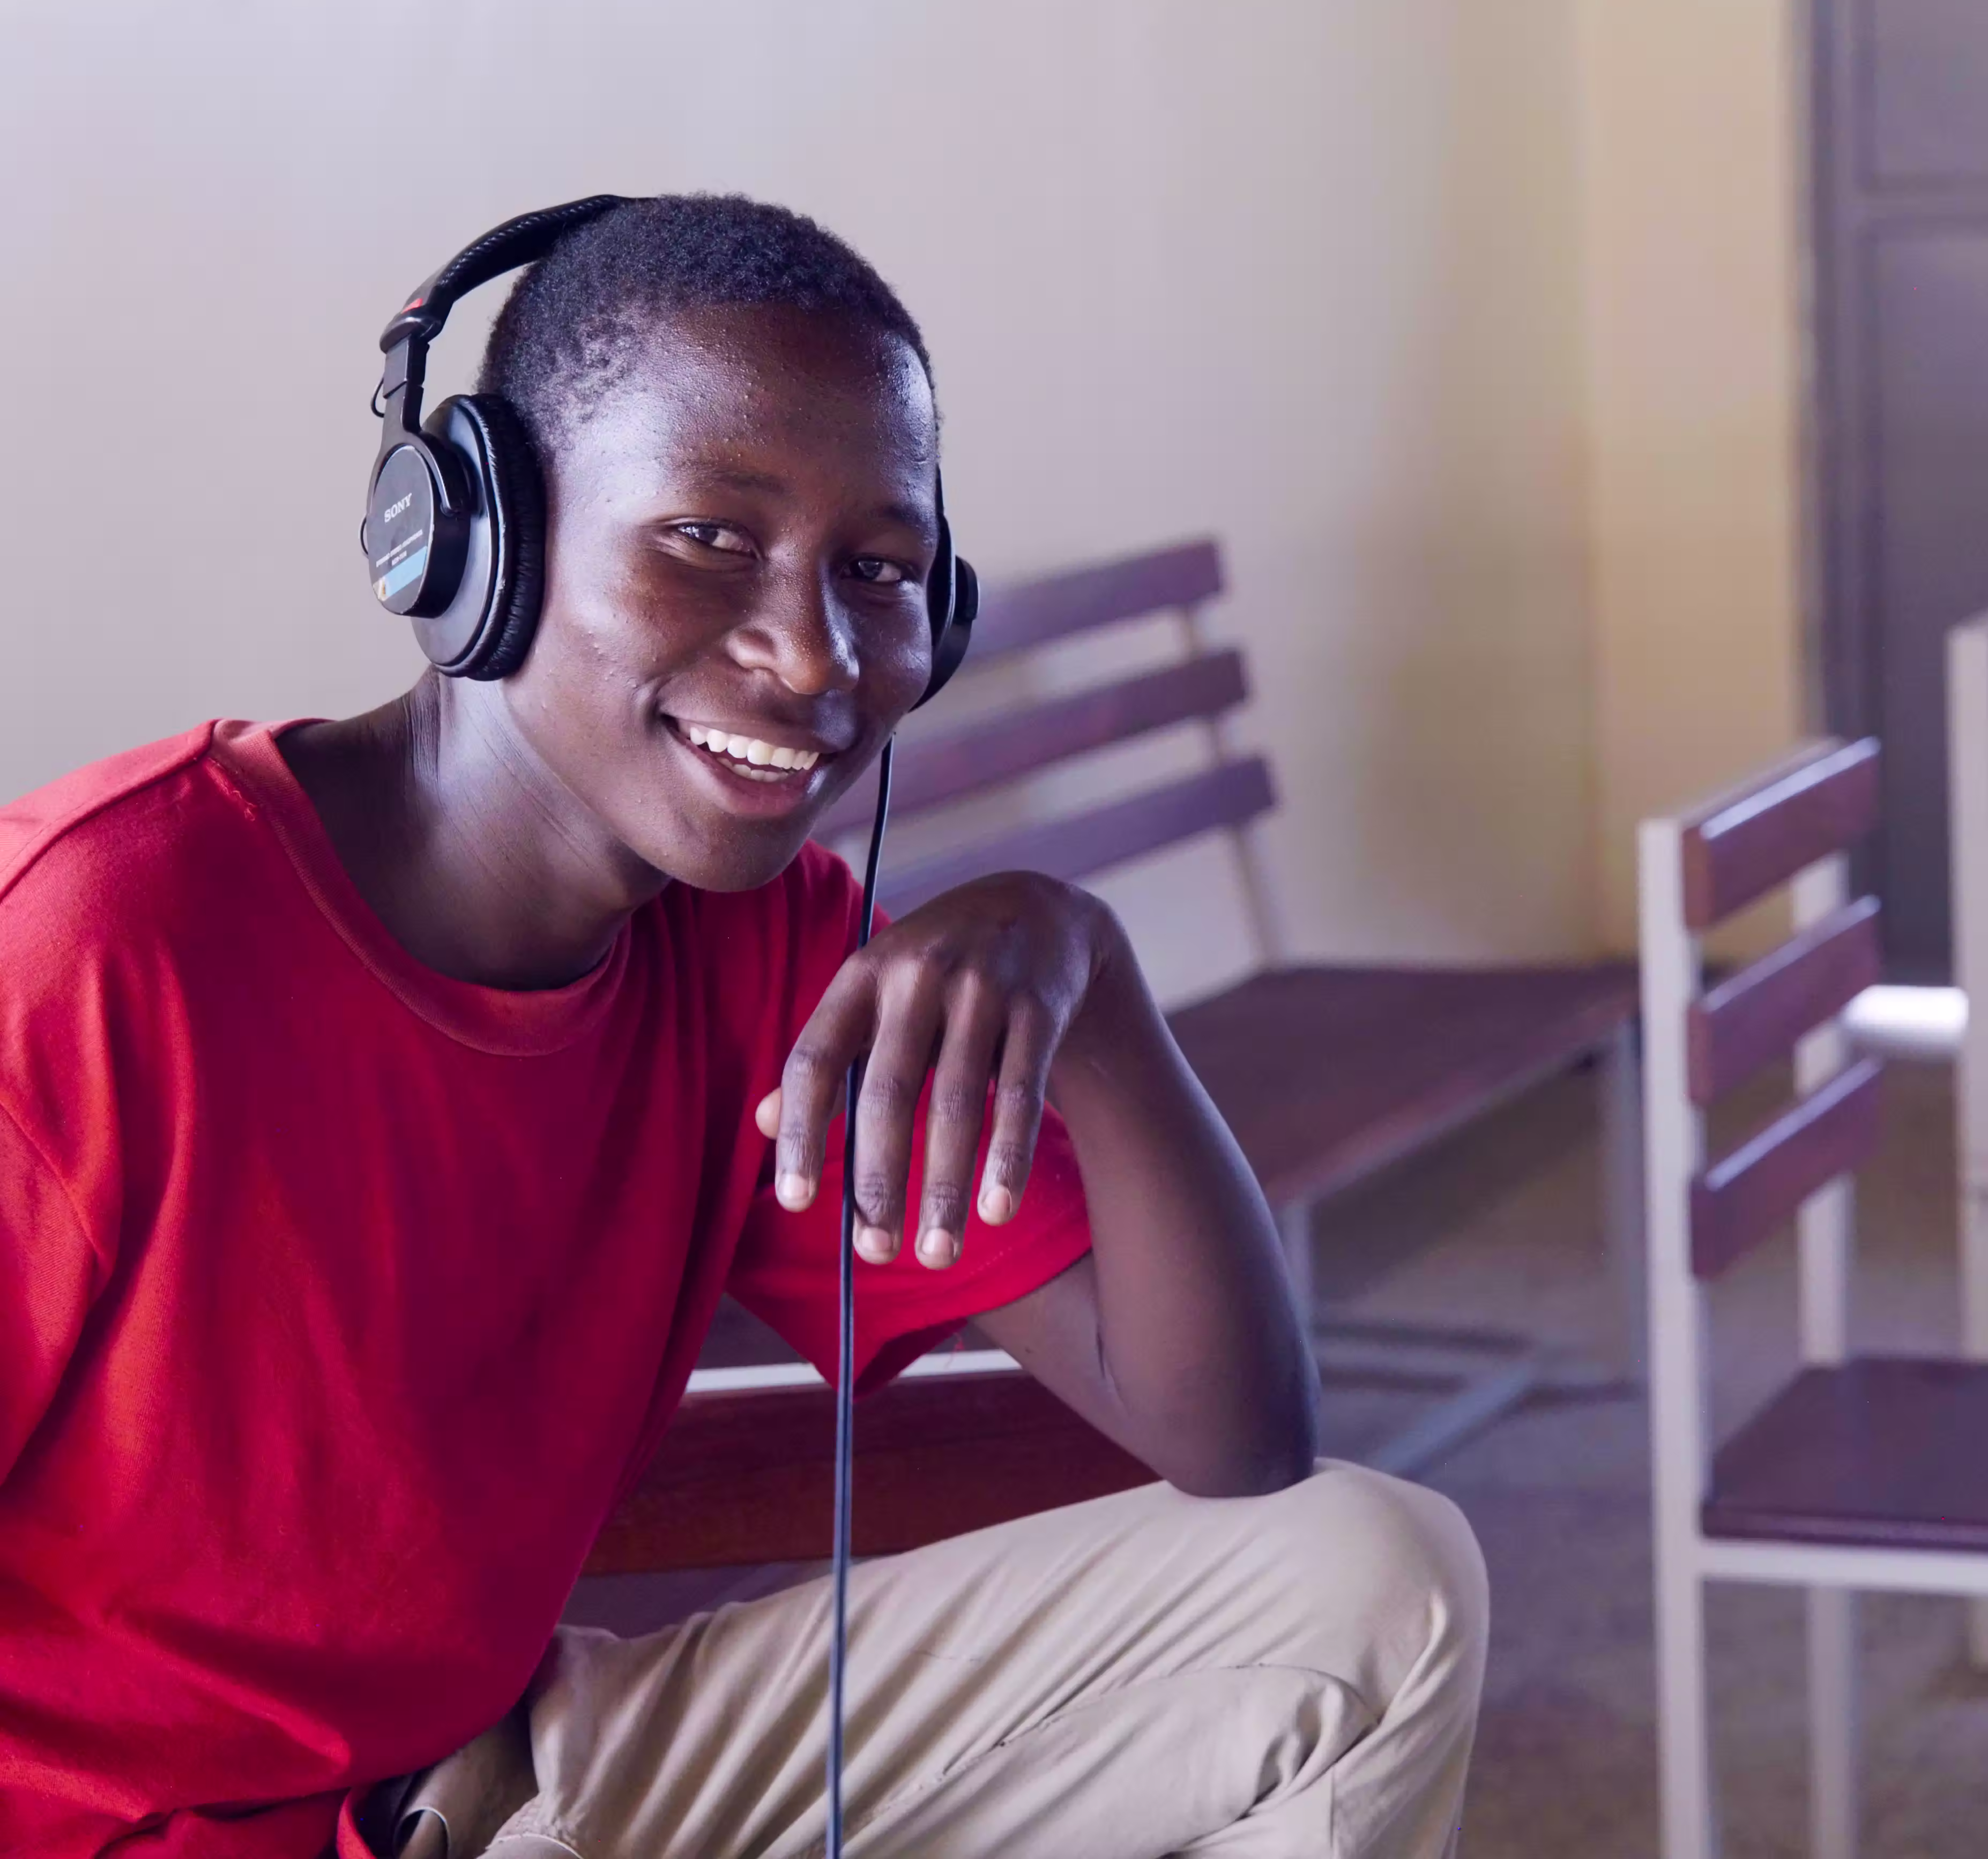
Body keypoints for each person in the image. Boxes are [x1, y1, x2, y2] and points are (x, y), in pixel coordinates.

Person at [0, 196, 1487, 1858]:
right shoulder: (90, 945)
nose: (812, 655)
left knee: (1369, 1582)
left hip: (494, 1787)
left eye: (882, 571)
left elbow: (1235, 1442)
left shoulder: (763, 958)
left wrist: (1097, 984)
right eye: (711, 536)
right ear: (477, 541)